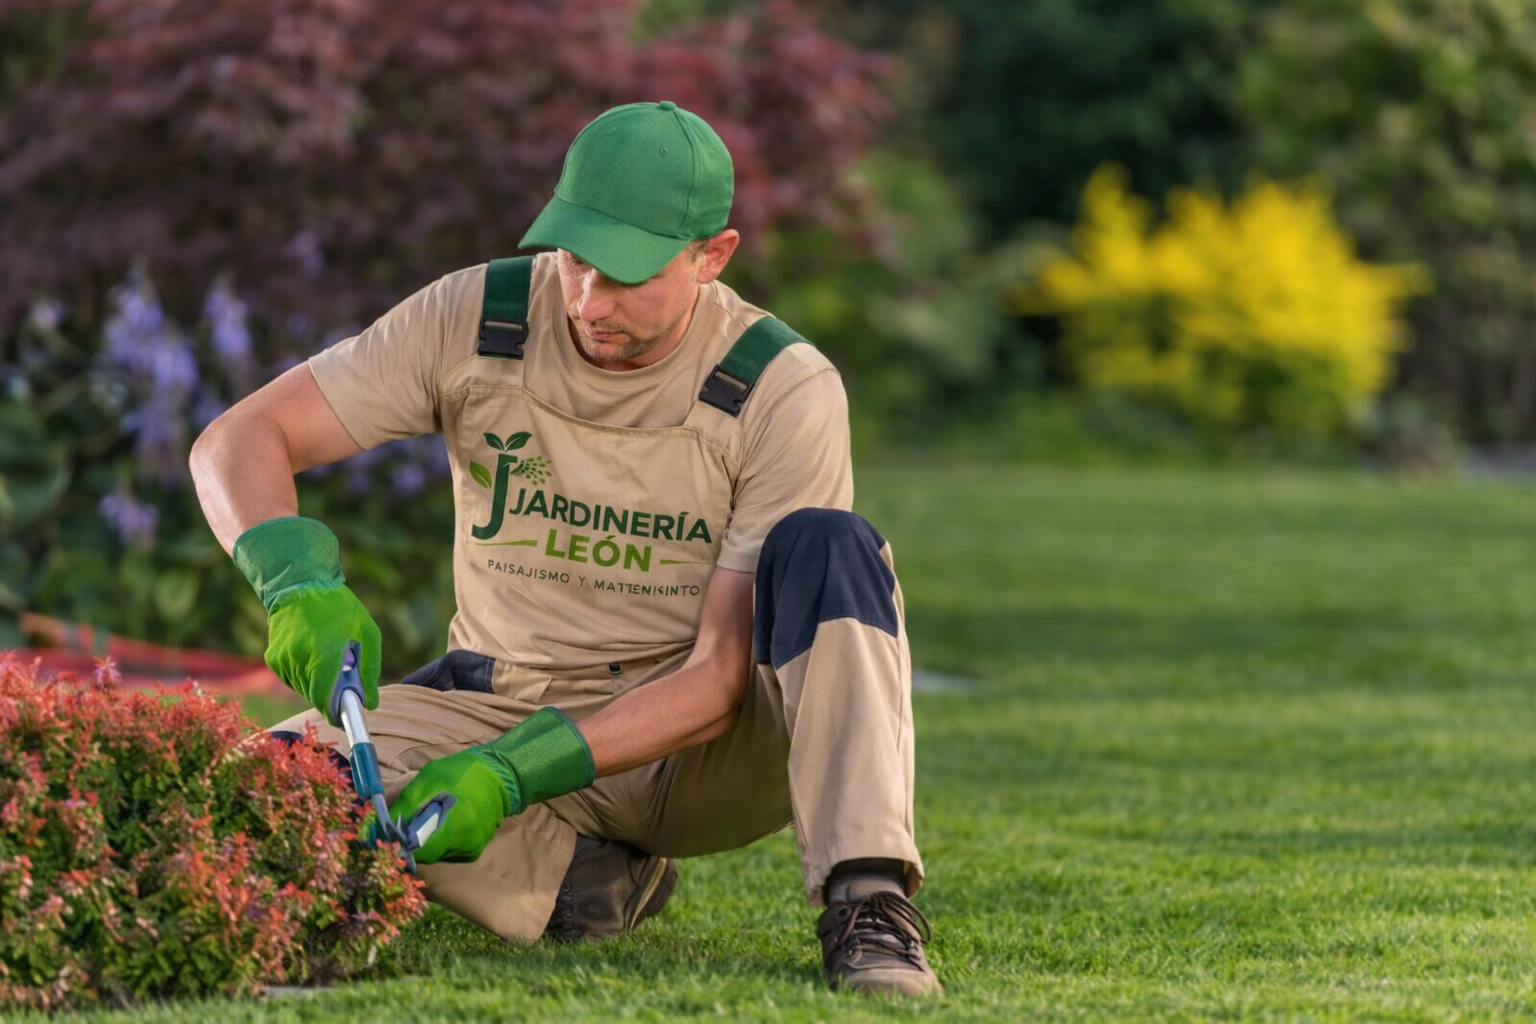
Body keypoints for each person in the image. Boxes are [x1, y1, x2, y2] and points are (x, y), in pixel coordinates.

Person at [190, 100, 939, 997]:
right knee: (256, 789)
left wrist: (513, 776)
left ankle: (868, 901)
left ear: (712, 256)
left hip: (698, 751)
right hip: (498, 702)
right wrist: (291, 581)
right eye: (576, 259)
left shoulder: (781, 387)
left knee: (834, 546)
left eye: (627, 276)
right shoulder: (479, 316)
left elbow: (718, 680)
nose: (587, 301)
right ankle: (579, 877)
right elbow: (240, 439)